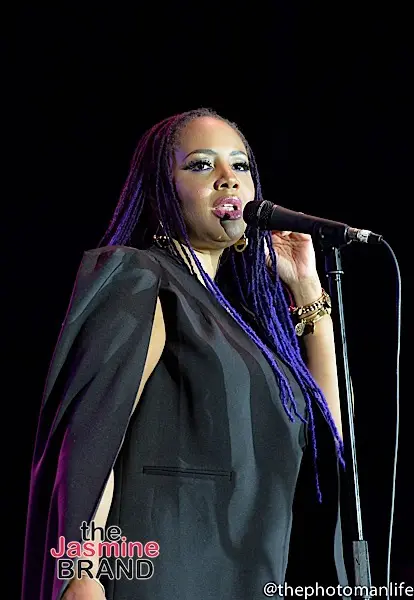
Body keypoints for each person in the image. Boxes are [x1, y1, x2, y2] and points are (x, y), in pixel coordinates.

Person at [22, 107, 349, 600]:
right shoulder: (140, 278)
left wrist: (307, 291)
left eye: (240, 166)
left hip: (247, 577)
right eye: (200, 165)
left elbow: (330, 436)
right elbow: (92, 439)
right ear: (162, 190)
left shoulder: (246, 329)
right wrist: (80, 577)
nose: (228, 179)